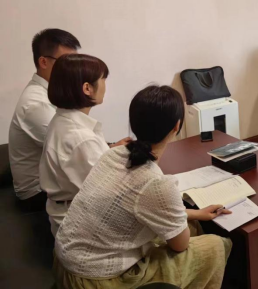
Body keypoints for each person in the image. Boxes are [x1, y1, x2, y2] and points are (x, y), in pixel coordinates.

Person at [53, 85, 232, 289]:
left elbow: (146, 206)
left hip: (66, 262)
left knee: (191, 225)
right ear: (177, 126)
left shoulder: (113, 154)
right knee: (215, 246)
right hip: (95, 280)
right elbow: (180, 245)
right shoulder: (155, 183)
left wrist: (197, 214)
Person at [39, 54, 131, 236]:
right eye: (103, 79)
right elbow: (111, 192)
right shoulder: (81, 138)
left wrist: (109, 150)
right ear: (87, 88)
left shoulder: (62, 120)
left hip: (69, 212)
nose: (105, 85)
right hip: (84, 224)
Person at [8, 29, 81, 212]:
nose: (74, 70)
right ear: (43, 62)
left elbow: (76, 137)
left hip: (55, 178)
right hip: (37, 193)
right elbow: (69, 153)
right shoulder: (36, 104)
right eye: (67, 62)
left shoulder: (51, 93)